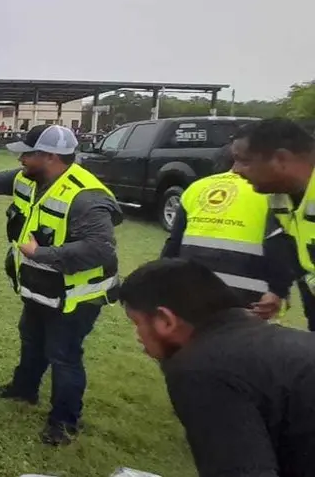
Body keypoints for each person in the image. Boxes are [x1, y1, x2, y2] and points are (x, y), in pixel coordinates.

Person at [0, 124, 123, 446]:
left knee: (64, 355)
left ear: (51, 157)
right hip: (41, 287)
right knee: (31, 340)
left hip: (75, 297)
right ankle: (24, 389)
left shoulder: (87, 197)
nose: (21, 160)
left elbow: (100, 249)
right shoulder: (28, 179)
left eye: (28, 154)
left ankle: (64, 421)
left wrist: (40, 253)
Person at [116, 258, 315, 477]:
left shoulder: (199, 369)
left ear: (166, 320)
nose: (138, 336)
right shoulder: (279, 341)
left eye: (137, 323)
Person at [161, 141, 296, 320]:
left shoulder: (197, 188)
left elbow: (173, 244)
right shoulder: (272, 193)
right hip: (249, 299)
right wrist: (279, 290)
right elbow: (281, 246)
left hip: (191, 292)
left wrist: (160, 283)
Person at [230, 117, 315, 331]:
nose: (235, 170)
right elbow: (284, 245)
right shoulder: (280, 198)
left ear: (281, 158)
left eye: (244, 160)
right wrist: (278, 289)